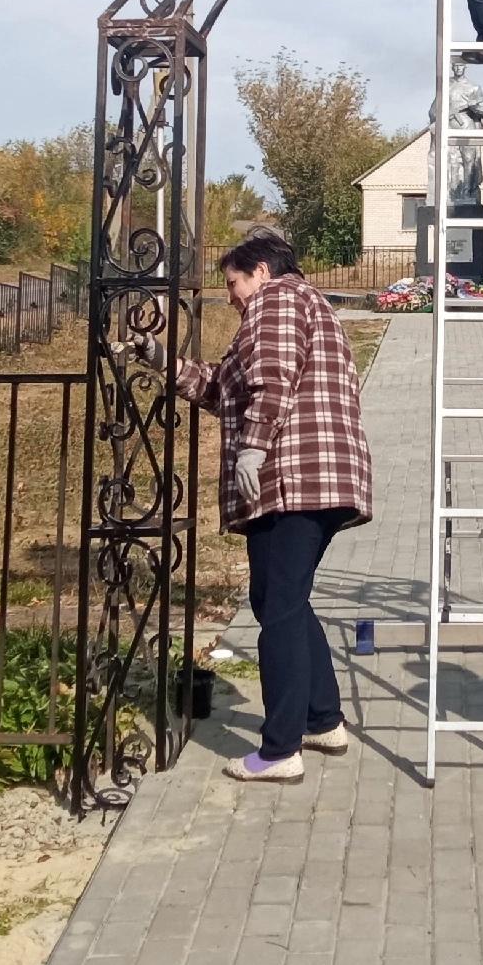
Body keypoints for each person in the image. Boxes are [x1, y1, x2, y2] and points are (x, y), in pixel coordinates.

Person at [179, 235, 374, 783]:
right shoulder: (299, 307)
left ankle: (280, 749)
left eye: (234, 284)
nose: (232, 298)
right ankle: (322, 718)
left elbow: (275, 375)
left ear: (260, 271)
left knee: (281, 607)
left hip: (294, 476)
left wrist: (255, 445)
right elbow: (223, 388)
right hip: (322, 478)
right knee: (278, 598)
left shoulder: (279, 300)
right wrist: (165, 366)